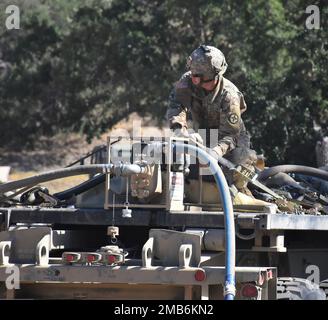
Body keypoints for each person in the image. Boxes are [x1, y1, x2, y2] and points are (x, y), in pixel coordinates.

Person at [167, 44, 257, 193]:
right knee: (181, 169)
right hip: (203, 138)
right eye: (193, 75)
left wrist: (215, 153)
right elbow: (176, 105)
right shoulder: (189, 80)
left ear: (216, 76)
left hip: (232, 142)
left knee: (228, 179)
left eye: (200, 78)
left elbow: (231, 135)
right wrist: (180, 131)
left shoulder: (230, 96)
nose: (195, 81)